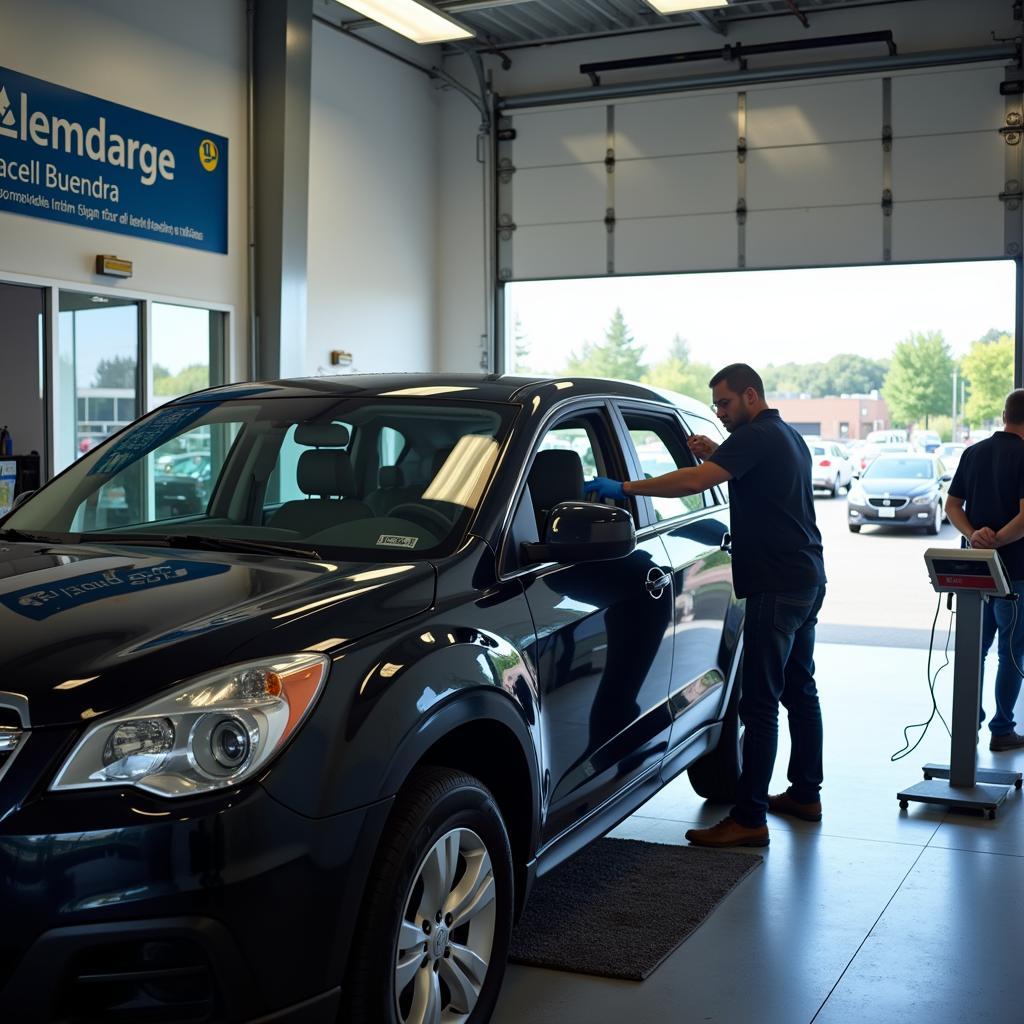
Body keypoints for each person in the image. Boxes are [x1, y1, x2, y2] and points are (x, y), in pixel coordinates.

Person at [586, 363, 827, 847]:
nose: (718, 413)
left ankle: (749, 818)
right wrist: (720, 454)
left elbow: (694, 485)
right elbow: (758, 478)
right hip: (806, 577)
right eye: (716, 404)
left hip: (775, 586)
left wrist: (626, 488)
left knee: (759, 704)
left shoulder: (756, 437)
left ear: (751, 396)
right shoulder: (783, 435)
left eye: (725, 403)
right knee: (799, 689)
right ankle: (805, 794)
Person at [944, 388, 1024, 752]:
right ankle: (1002, 729)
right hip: (1016, 573)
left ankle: (967, 723)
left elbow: (952, 506)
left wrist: (975, 536)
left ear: (1004, 413)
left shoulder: (973, 452)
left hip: (974, 572)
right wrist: (997, 540)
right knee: (1011, 652)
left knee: (974, 648)